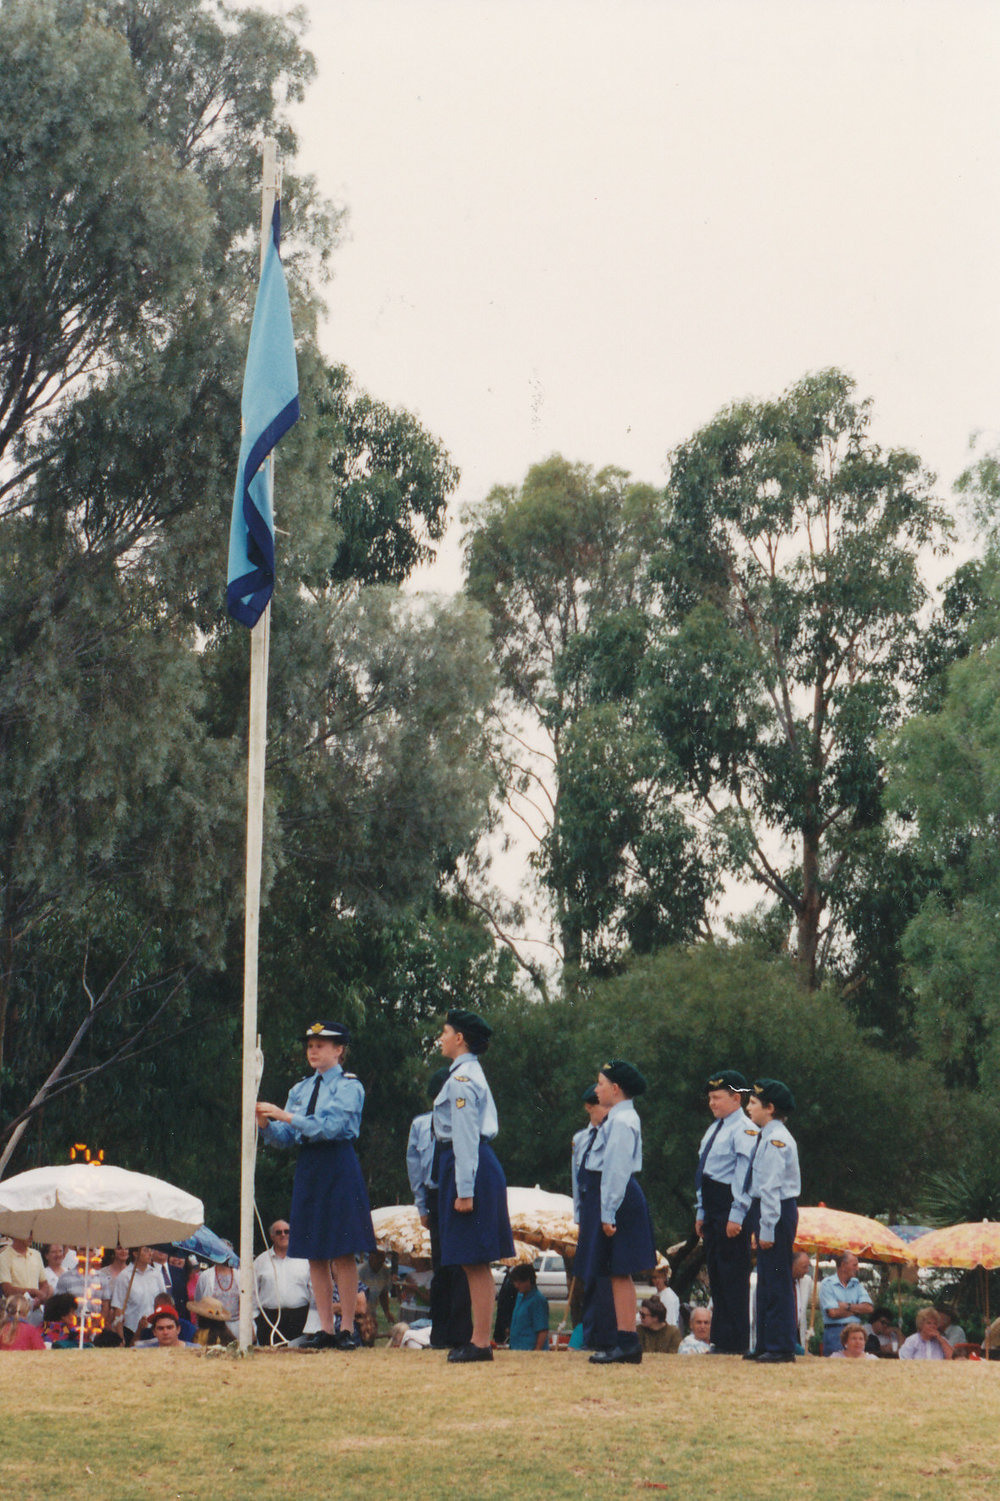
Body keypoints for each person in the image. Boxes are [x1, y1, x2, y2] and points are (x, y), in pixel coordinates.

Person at [256, 1019, 377, 1352]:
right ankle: (325, 1328)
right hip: (310, 1166)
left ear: (339, 1050)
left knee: (342, 1251)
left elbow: (332, 1126)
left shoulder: (350, 1086)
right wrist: (267, 1124)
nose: (313, 1050)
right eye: (310, 1045)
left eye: (320, 1045)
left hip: (338, 1162)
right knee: (314, 1253)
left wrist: (285, 1116)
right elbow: (286, 1138)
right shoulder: (300, 1090)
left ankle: (347, 1328)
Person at [432, 1007, 515, 1363]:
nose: (441, 1038)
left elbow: (465, 1136)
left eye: (445, 1031)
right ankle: (478, 1338)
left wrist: (464, 1190)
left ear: (460, 1039)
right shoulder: (466, 1075)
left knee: (476, 1260)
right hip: (470, 1163)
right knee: (471, 1260)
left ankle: (480, 1341)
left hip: (470, 1165)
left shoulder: (461, 1081)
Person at [576, 1058, 657, 1367]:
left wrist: (608, 1211)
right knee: (615, 1271)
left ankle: (626, 1341)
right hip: (610, 1194)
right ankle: (625, 1340)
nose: (597, 1089)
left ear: (616, 1088)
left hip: (616, 1196)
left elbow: (616, 1169)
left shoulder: (622, 1122)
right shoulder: (617, 1119)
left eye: (600, 1083)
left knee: (619, 1269)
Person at [410, 1065, 472, 1350]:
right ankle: (440, 1333)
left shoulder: (463, 1123)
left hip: (458, 1194)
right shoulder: (421, 1126)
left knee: (460, 1265)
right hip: (435, 1197)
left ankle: (462, 1334)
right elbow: (415, 1168)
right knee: (441, 1266)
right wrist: (421, 1206)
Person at [694, 1068, 755, 1354]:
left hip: (729, 1203)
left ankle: (736, 1340)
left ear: (736, 1098)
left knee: (733, 1276)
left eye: (717, 1097)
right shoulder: (714, 1128)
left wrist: (737, 1213)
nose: (712, 1103)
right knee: (717, 1273)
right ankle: (721, 1338)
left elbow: (744, 1174)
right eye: (710, 1098)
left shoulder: (743, 1128)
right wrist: (700, 1211)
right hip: (712, 1204)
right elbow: (703, 1172)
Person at [744, 1078, 800, 1364]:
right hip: (767, 1209)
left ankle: (780, 1345)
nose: (748, 1107)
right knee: (765, 1279)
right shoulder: (766, 1135)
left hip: (775, 1211)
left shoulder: (777, 1139)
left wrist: (766, 1228)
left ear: (770, 1107)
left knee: (777, 1277)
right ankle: (765, 1342)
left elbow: (771, 1188)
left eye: (754, 1103)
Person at [571, 1084, 616, 1353]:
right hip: (588, 1209)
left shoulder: (613, 1135)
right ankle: (590, 1334)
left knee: (606, 1273)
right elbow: (576, 1181)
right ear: (589, 1107)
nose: (607, 1113)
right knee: (587, 1272)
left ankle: (607, 1335)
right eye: (603, 1107)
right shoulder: (580, 1139)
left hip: (606, 1207)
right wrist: (578, 1214)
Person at [253, 1219, 312, 1347]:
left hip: (300, 1318)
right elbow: (252, 1294)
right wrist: (254, 1321)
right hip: (269, 1320)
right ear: (271, 1237)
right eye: (278, 1232)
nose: (283, 1235)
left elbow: (314, 1291)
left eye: (287, 1231)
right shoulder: (260, 1261)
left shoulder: (304, 1260)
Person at [818, 1252, 874, 1356]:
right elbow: (833, 1313)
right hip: (835, 1333)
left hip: (855, 1332)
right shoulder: (827, 1284)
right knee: (835, 1368)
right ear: (843, 1265)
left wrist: (847, 1306)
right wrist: (857, 1311)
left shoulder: (856, 1284)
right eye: (854, 1265)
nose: (857, 1268)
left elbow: (869, 1308)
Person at [507, 1264, 550, 1350]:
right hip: (516, 1348)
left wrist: (536, 1352)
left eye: (520, 1282)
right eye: (515, 1282)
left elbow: (543, 1330)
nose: (516, 1286)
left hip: (529, 1349)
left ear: (529, 1280)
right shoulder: (519, 1296)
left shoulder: (538, 1300)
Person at [0, 1237, 46, 1315]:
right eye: (28, 1234)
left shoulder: (36, 1255)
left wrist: (41, 1297)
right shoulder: (3, 1257)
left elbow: (44, 1283)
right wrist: (34, 1292)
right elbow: (7, 1290)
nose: (31, 1237)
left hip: (36, 1310)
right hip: (14, 1312)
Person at [792, 1250, 814, 1352]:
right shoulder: (779, 1282)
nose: (807, 1271)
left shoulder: (807, 1281)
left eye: (808, 1267)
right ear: (792, 1266)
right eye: (804, 1267)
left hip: (798, 1335)